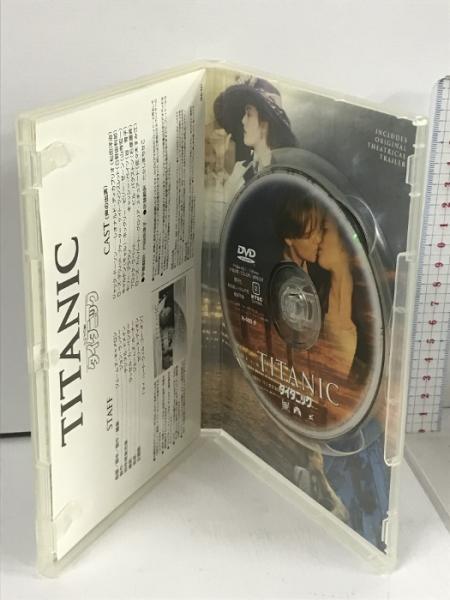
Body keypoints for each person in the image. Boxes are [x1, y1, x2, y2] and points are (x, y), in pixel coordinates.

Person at [213, 77, 298, 200]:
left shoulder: (286, 173)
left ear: (265, 122)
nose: (243, 120)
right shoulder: (240, 171)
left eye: (249, 114)